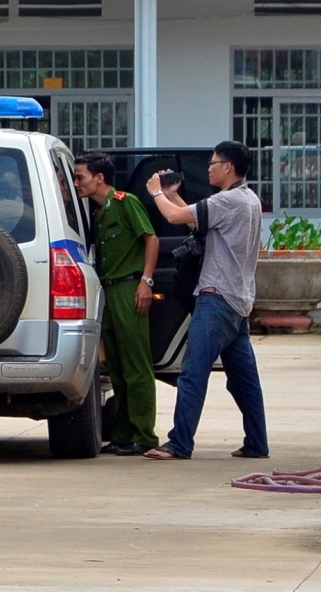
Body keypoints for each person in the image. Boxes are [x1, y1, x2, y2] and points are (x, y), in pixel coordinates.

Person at [142, 141, 269, 460]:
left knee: (192, 374)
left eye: (213, 163)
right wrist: (172, 194)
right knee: (244, 381)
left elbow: (173, 217)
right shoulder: (248, 199)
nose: (209, 168)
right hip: (238, 301)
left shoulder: (227, 200)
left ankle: (180, 443)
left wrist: (157, 193)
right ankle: (257, 443)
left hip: (216, 299)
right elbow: (192, 219)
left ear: (228, 167)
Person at [73, 153, 160, 456]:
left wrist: (145, 281)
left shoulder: (125, 203)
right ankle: (123, 434)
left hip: (128, 287)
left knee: (137, 366)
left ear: (99, 177)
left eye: (80, 176)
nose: (76, 183)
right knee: (118, 369)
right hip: (109, 291)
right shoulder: (98, 213)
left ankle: (144, 435)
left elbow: (151, 238)